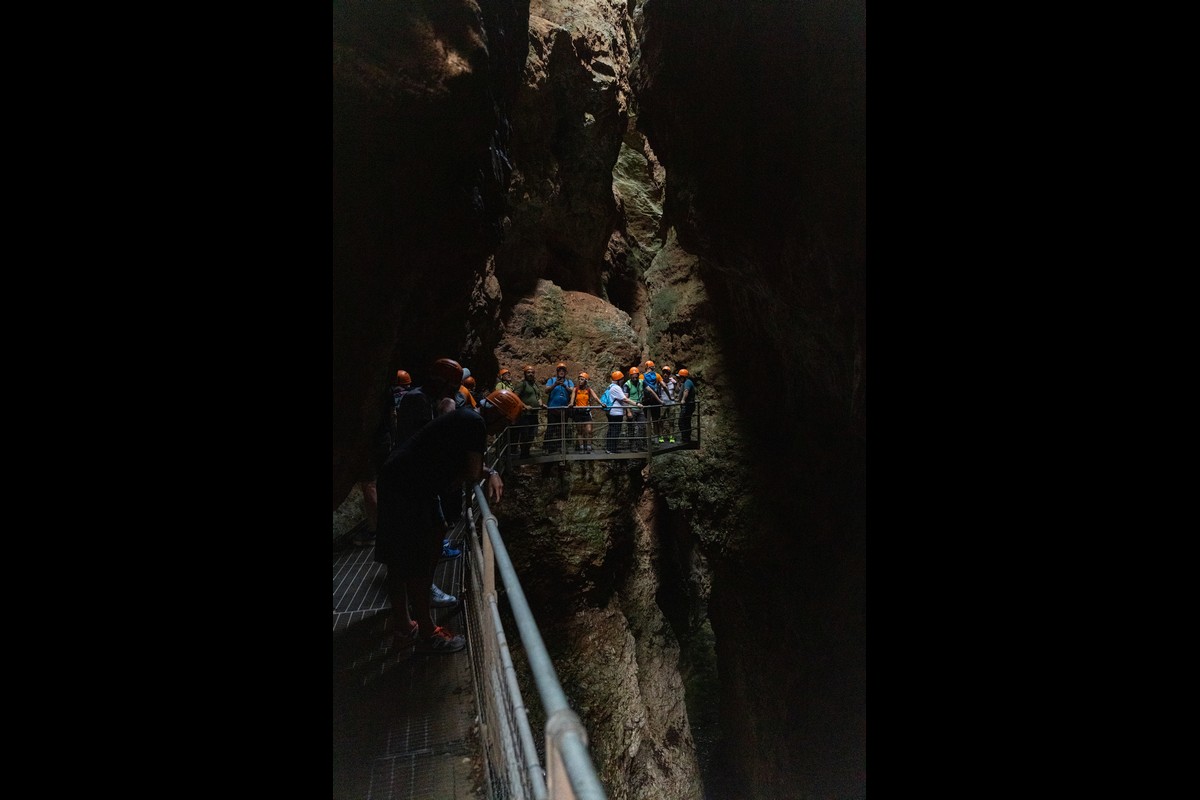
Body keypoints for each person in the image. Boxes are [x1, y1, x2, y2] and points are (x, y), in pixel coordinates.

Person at [375, 389, 526, 653]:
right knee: (418, 558)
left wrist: (485, 471)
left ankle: (404, 626)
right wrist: (487, 473)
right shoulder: (475, 423)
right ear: (494, 413)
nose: (500, 430)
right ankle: (426, 632)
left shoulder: (466, 416)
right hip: (408, 487)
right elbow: (473, 470)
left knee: (419, 544)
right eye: (503, 423)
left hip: (404, 479)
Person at [623, 366, 660, 451]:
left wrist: (659, 400)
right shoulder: (627, 385)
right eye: (633, 377)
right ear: (630, 376)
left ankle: (642, 445)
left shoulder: (641, 382)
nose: (635, 379)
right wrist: (628, 411)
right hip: (632, 409)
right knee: (631, 428)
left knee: (642, 427)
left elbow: (651, 390)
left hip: (640, 409)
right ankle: (632, 446)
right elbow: (625, 399)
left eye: (636, 377)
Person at [603, 370, 639, 453]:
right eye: (622, 379)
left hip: (611, 412)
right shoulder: (616, 388)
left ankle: (610, 448)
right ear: (618, 380)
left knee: (612, 430)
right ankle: (611, 449)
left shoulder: (610, 386)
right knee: (615, 431)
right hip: (616, 413)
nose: (623, 381)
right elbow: (625, 399)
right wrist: (637, 404)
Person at [543, 362, 574, 454]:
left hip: (564, 410)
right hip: (553, 409)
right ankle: (546, 448)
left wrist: (565, 386)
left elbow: (572, 391)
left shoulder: (569, 382)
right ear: (557, 371)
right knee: (551, 428)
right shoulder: (551, 380)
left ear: (565, 372)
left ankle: (561, 447)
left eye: (563, 370)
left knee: (562, 429)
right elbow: (546, 390)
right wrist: (555, 384)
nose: (561, 372)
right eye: (560, 370)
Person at [513, 365, 543, 458]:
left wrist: (541, 404)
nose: (530, 374)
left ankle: (527, 452)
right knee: (525, 434)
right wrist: (524, 406)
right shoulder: (522, 384)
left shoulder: (535, 385)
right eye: (528, 372)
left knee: (531, 434)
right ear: (525, 374)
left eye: (532, 372)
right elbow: (515, 397)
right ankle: (523, 454)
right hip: (525, 415)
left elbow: (538, 396)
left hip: (534, 414)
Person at [571, 372, 605, 453]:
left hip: (586, 412)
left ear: (586, 381)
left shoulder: (589, 390)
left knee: (589, 430)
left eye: (582, 379)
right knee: (579, 431)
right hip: (578, 412)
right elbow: (572, 398)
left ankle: (589, 446)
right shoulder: (576, 389)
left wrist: (601, 403)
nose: (580, 381)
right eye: (579, 379)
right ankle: (581, 447)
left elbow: (595, 397)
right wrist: (571, 404)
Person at [641, 360, 666, 443]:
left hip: (646, 401)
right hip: (656, 401)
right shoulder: (657, 375)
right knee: (655, 420)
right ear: (652, 367)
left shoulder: (642, 376)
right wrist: (669, 397)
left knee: (647, 421)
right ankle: (656, 440)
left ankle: (648, 439)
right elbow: (664, 386)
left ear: (646, 367)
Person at [659, 365, 678, 443]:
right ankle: (661, 436)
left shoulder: (672, 382)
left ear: (669, 374)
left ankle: (671, 436)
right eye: (664, 373)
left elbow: (677, 391)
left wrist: (676, 383)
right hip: (663, 404)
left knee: (671, 421)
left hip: (671, 404)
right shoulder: (660, 382)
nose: (665, 374)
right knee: (661, 421)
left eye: (667, 373)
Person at [678, 368, 697, 443]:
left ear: (683, 377)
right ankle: (687, 438)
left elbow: (686, 391)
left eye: (680, 377)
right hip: (690, 405)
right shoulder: (686, 382)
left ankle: (685, 439)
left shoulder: (687, 382)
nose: (679, 379)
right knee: (686, 422)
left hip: (688, 406)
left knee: (682, 422)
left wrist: (683, 400)